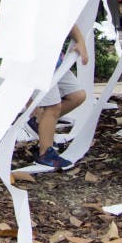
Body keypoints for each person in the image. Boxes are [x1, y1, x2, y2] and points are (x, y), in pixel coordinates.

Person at [28, 26, 88, 170]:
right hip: (37, 63)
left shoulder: (55, 5)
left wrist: (80, 42)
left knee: (77, 96)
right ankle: (45, 154)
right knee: (53, 107)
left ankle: (39, 123)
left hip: (55, 62)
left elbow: (69, 22)